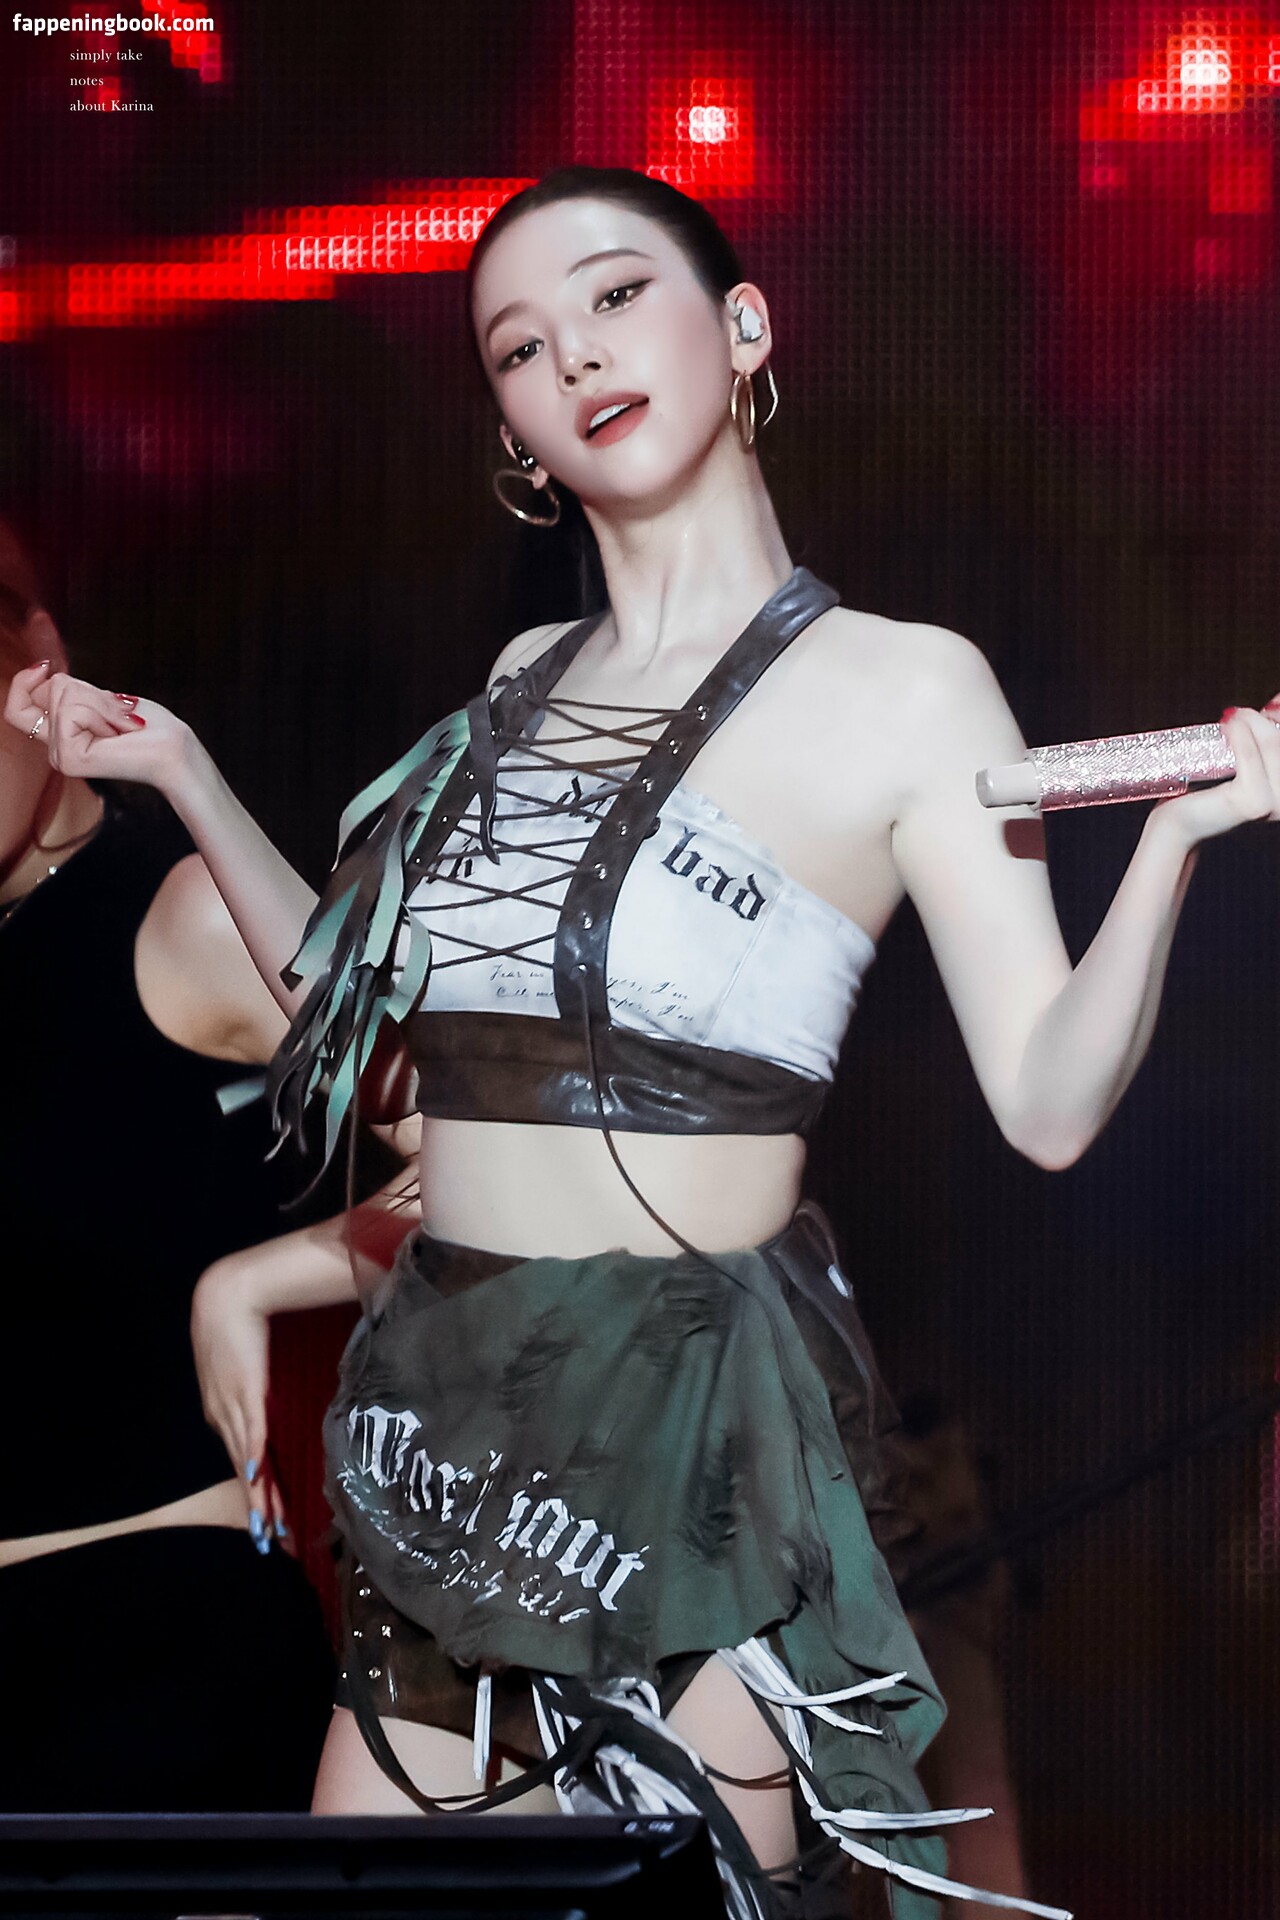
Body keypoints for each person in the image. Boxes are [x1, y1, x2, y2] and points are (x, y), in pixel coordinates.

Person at [8, 168, 1279, 1917]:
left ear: (742, 327)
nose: (575, 357)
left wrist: (1178, 842)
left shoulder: (909, 688)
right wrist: (181, 772)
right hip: (451, 1428)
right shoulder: (519, 683)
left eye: (614, 297)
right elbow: (369, 1036)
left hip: (688, 1443)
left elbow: (1050, 1104)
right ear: (513, 433)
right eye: (519, 346)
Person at [0, 522, 335, 1812]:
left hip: (152, 1660)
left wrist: (254, 1280)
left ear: (36, 663)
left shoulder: (182, 912)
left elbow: (496, 1151)